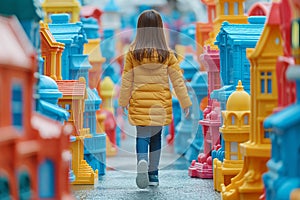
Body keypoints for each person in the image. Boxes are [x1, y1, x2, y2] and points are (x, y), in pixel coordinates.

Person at [118, 9, 192, 189]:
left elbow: (127, 79)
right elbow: (178, 81)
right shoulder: (167, 54)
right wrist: (185, 102)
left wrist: (123, 102)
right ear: (160, 30)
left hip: (140, 102)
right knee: (156, 137)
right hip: (159, 104)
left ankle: (141, 161)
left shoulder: (133, 53)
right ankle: (153, 174)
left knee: (142, 136)